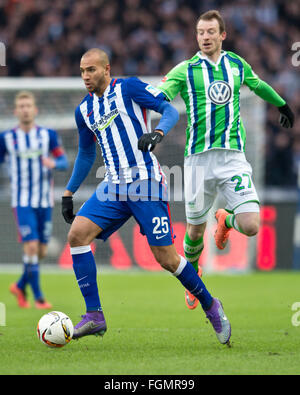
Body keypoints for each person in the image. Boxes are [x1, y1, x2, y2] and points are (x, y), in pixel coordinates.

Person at [61, 48, 231, 345]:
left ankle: (210, 304)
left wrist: (159, 134)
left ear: (106, 69)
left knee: (165, 258)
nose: (86, 77)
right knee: (77, 236)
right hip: (113, 186)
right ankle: (94, 315)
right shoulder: (84, 110)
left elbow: (169, 110)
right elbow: (87, 152)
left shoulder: (129, 88)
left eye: (91, 70)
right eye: (82, 71)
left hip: (145, 183)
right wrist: (68, 191)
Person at [156, 10, 295, 310]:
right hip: (197, 160)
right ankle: (193, 279)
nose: (204, 37)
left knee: (251, 225)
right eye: (200, 32)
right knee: (193, 231)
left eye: (210, 32)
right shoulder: (185, 69)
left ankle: (226, 219)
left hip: (233, 158)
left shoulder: (236, 64)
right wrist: (148, 107)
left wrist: (282, 104)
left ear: (222, 35)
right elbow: (161, 94)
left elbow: (257, 85)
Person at [0, 91, 69, 309]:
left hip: (44, 201)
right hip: (21, 201)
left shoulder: (47, 135)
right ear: (16, 111)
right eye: (21, 106)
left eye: (28, 105)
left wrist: (54, 164)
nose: (25, 109)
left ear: (35, 110)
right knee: (30, 247)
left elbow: (64, 161)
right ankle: (38, 297)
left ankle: (20, 285)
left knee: (41, 251)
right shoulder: (6, 138)